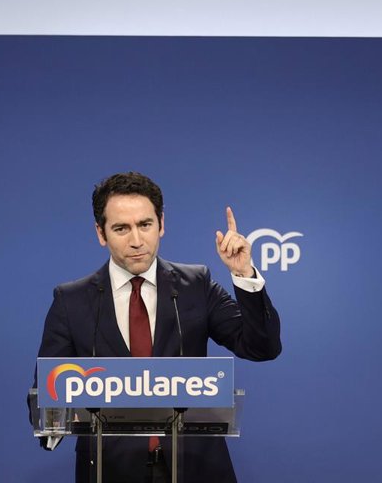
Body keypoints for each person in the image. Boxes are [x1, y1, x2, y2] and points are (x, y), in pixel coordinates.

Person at [36, 171, 282, 483]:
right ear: (101, 233)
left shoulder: (196, 285)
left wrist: (244, 274)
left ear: (161, 224)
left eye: (145, 225)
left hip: (196, 467)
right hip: (110, 470)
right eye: (121, 228)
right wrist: (56, 421)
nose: (136, 241)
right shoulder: (71, 301)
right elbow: (47, 391)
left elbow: (262, 347)